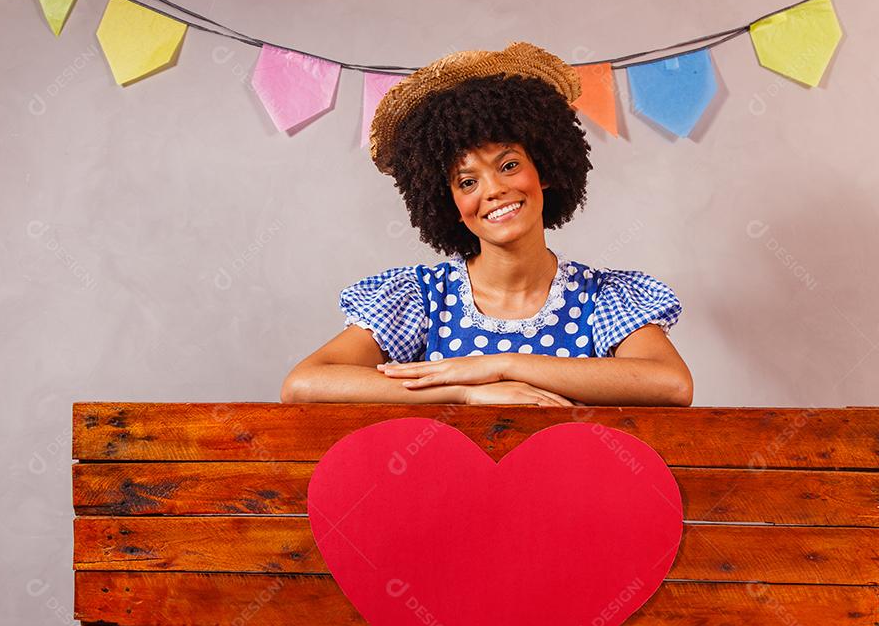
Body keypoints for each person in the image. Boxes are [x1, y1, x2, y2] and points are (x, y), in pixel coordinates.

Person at [282, 42, 693, 407]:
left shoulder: (602, 299)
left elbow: (670, 384)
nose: (493, 190)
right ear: (451, 204)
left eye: (509, 165)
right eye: (467, 181)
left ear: (544, 170)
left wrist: (499, 366)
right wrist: (463, 392)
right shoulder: (422, 299)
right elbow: (305, 384)